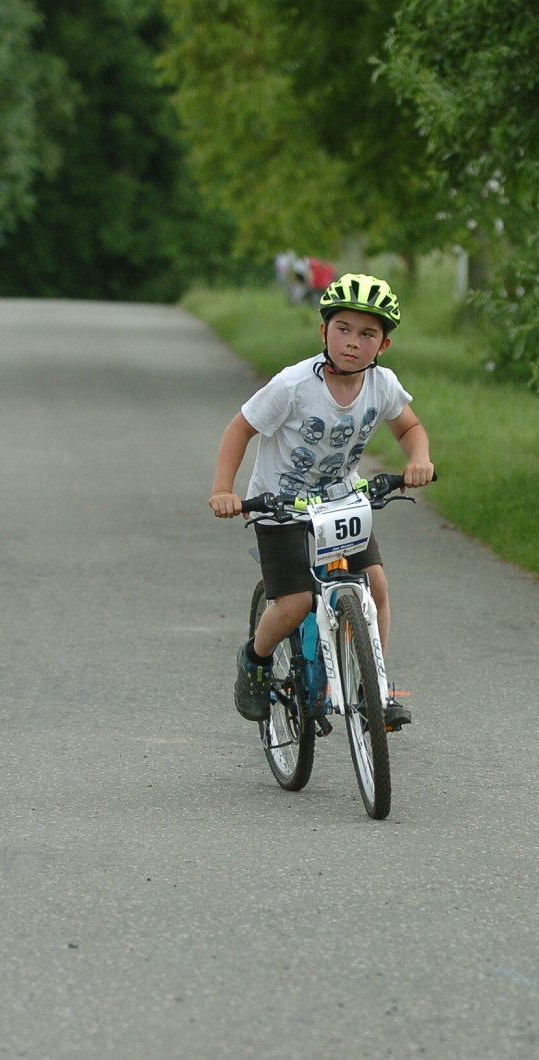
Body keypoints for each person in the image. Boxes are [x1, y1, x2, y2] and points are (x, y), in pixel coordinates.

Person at [209, 273, 434, 728]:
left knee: (376, 586)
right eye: (343, 329)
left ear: (384, 345)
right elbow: (240, 428)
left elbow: (410, 427)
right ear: (323, 331)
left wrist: (419, 458)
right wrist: (223, 490)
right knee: (295, 604)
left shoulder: (382, 384)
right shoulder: (294, 385)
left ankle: (372, 689)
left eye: (367, 334)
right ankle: (255, 659)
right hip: (281, 504)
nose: (352, 342)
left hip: (339, 501)